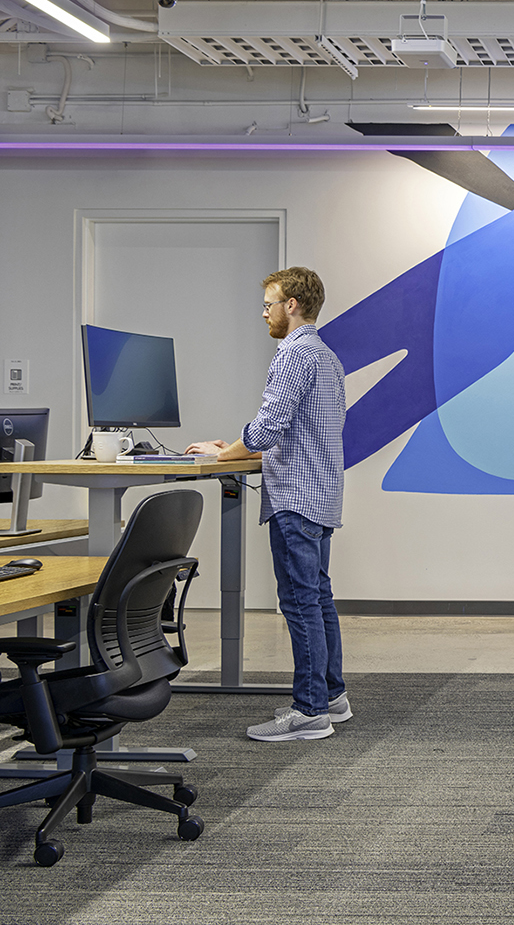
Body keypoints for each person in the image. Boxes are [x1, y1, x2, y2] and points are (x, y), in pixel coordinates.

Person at [187, 266, 348, 742]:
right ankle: (331, 697)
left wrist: (224, 453)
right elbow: (301, 431)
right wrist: (239, 449)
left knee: (299, 603)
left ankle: (309, 712)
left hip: (296, 498)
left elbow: (268, 426)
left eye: (268, 305)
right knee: (318, 597)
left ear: (291, 305)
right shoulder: (327, 356)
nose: (264, 314)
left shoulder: (294, 354)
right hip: (320, 494)